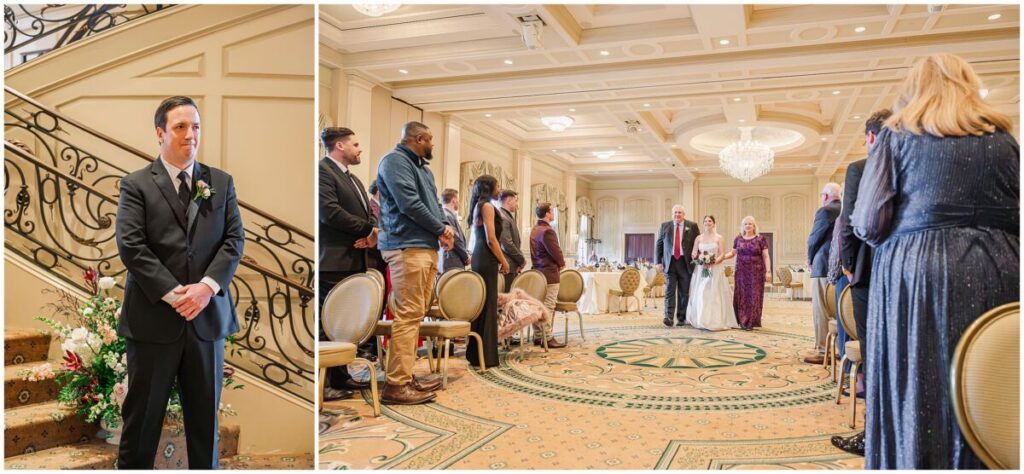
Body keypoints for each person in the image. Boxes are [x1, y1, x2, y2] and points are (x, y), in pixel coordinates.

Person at [852, 53, 1018, 469]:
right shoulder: (1005, 139)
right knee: (991, 387)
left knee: (918, 389)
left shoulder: (898, 136)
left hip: (917, 277)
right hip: (1002, 270)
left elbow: (869, 224)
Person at [115, 96, 244, 469]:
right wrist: (175, 295)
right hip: (154, 320)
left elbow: (234, 241)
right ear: (160, 133)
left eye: (196, 126)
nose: (191, 135)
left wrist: (206, 288)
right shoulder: (136, 184)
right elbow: (132, 247)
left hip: (206, 321)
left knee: (205, 424)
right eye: (181, 127)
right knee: (142, 422)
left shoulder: (220, 181)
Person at [376, 121, 453, 405]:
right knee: (408, 315)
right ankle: (396, 385)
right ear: (418, 139)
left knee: (415, 314)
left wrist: (444, 226)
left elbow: (432, 204)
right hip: (405, 245)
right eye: (430, 140)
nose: (432, 145)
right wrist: (440, 229)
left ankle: (406, 376)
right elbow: (408, 203)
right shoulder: (394, 161)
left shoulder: (423, 168)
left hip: (423, 245)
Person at [830, 108, 892, 456]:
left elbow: (851, 222)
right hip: (904, 270)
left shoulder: (860, 168)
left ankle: (875, 434)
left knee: (874, 351)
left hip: (869, 274)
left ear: (870, 137)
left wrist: (851, 269)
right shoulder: (911, 163)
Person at [317, 127, 377, 401]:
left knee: (343, 323)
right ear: (339, 146)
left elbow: (368, 214)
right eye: (355, 144)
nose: (359, 148)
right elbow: (329, 213)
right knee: (326, 322)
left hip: (354, 258)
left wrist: (372, 233)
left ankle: (342, 375)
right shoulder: (322, 172)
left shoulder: (353, 179)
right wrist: (366, 229)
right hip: (333, 260)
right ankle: (325, 381)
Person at [466, 175, 509, 368]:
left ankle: (477, 354)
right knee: (488, 305)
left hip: (479, 256)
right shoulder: (488, 207)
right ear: (488, 187)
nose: (499, 189)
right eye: (497, 185)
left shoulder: (478, 205)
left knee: (482, 305)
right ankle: (487, 356)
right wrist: (504, 261)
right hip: (487, 257)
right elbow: (492, 239)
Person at [804, 182, 841, 364]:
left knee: (821, 310)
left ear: (825, 196)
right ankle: (841, 347)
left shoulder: (825, 211)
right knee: (840, 309)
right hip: (842, 268)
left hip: (823, 265)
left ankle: (822, 351)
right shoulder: (848, 209)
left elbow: (814, 239)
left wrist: (810, 259)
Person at [685, 215, 738, 331]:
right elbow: (694, 252)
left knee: (714, 292)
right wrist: (697, 257)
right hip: (702, 268)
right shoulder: (698, 238)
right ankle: (701, 318)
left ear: (714, 223)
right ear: (703, 223)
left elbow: (722, 254)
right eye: (705, 221)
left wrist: (713, 262)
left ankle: (714, 319)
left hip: (715, 268)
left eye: (710, 221)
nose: (707, 222)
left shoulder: (719, 238)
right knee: (701, 291)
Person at [655, 205, 700, 327]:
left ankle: (681, 317)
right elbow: (659, 245)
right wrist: (658, 262)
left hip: (685, 263)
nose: (677, 215)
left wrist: (698, 259)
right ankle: (668, 317)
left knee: (683, 292)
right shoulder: (665, 226)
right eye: (675, 213)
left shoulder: (692, 226)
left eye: (679, 212)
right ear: (672, 214)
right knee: (669, 291)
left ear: (684, 214)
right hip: (669, 264)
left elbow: (698, 244)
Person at [722, 216, 770, 329]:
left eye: (750, 224)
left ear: (754, 226)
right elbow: (732, 253)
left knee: (754, 295)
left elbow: (766, 256)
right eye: (745, 224)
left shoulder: (760, 239)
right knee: (742, 295)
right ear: (742, 226)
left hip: (756, 272)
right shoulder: (738, 239)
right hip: (741, 272)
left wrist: (768, 271)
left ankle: (751, 321)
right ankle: (741, 319)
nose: (748, 226)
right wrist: (720, 257)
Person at [529, 202, 566, 347]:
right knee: (548, 306)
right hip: (549, 273)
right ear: (547, 213)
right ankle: (548, 337)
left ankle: (538, 336)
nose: (554, 213)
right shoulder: (547, 231)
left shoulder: (535, 229)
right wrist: (562, 263)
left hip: (537, 272)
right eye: (552, 211)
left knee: (539, 305)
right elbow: (555, 251)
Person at [496, 190, 525, 291]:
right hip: (507, 265)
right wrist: (521, 260)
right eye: (516, 201)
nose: (517, 204)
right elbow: (507, 244)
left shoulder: (507, 216)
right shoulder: (503, 217)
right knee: (506, 299)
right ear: (509, 200)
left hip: (511, 264)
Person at [439, 188, 470, 274]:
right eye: (458, 199)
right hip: (452, 259)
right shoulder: (447, 216)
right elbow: (455, 238)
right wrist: (466, 256)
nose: (458, 202)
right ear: (454, 200)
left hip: (451, 259)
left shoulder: (447, 214)